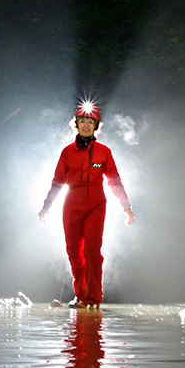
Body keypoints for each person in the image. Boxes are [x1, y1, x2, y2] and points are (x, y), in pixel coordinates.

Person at [39, 102, 134, 306]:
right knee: (74, 252)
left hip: (96, 207)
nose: (86, 125)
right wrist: (47, 207)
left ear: (96, 125)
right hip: (71, 206)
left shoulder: (104, 152)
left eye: (90, 122)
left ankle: (93, 298)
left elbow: (114, 180)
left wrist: (126, 206)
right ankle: (81, 296)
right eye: (82, 121)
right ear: (76, 124)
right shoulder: (67, 153)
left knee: (92, 251)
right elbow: (57, 182)